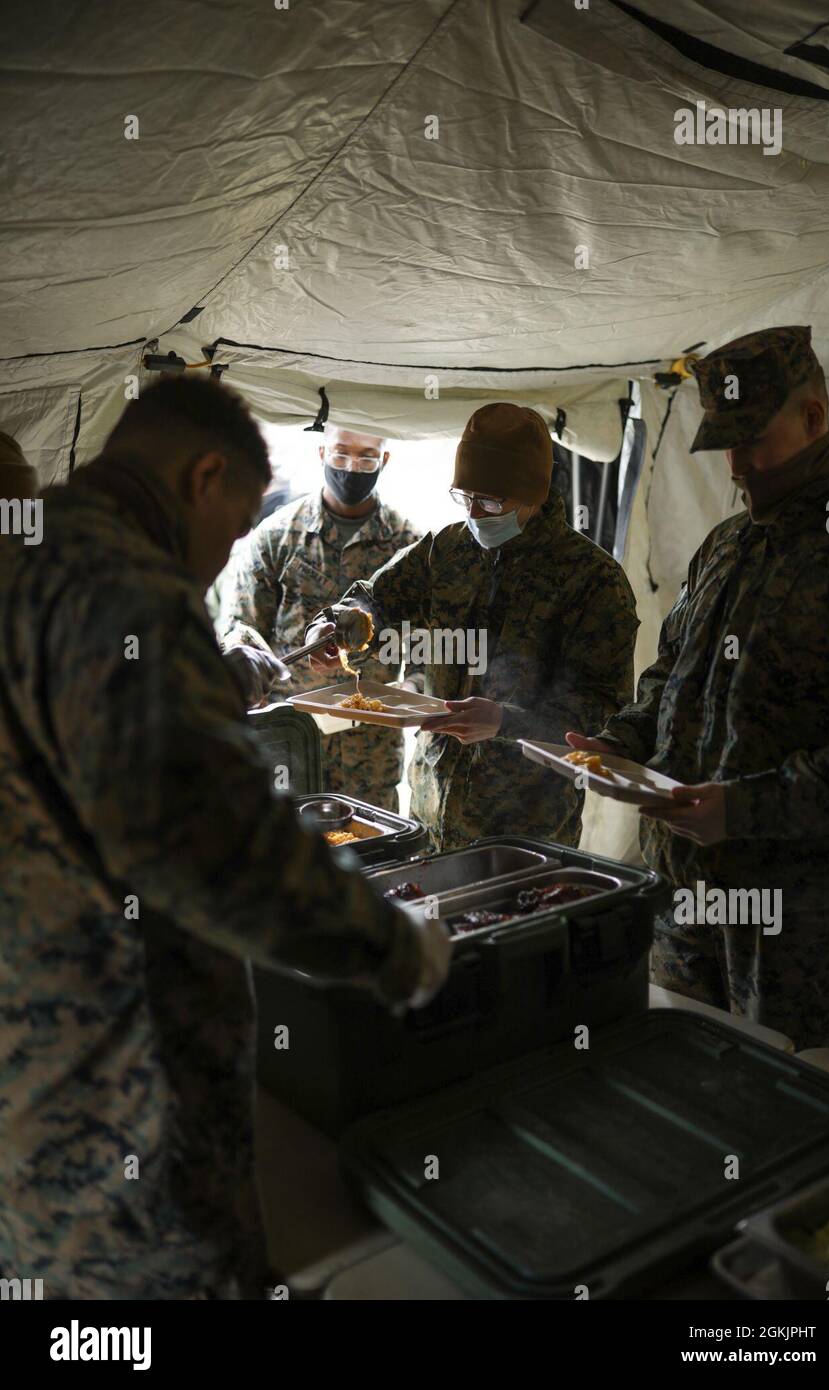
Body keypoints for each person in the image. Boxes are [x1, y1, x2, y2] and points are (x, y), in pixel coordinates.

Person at [0, 375, 450, 1301]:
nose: (223, 557)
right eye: (237, 524)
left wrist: (213, 673)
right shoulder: (126, 583)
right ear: (205, 476)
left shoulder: (27, 551)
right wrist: (396, 949)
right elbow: (218, 847)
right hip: (119, 1075)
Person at [568, 325, 829, 1054]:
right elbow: (671, 674)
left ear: (814, 418)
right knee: (683, 1082)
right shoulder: (728, 543)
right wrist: (621, 741)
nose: (735, 466)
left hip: (798, 918)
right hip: (685, 888)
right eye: (723, 444)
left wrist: (742, 808)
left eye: (751, 441)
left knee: (786, 1117)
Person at [306, 403, 638, 851]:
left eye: (491, 501)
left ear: (534, 494)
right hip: (430, 810)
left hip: (527, 826)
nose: (476, 514)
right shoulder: (448, 551)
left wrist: (506, 721)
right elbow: (377, 599)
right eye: (465, 497)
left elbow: (604, 709)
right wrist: (336, 628)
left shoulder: (593, 580)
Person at [219, 423, 421, 811]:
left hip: (371, 752)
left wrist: (408, 694)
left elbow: (426, 647)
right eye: (341, 453)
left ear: (385, 460)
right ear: (321, 453)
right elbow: (240, 632)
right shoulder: (277, 537)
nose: (351, 467)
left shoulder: (407, 545)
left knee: (372, 855)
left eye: (366, 458)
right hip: (290, 741)